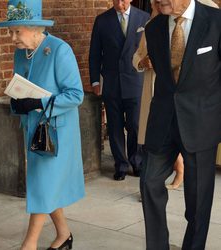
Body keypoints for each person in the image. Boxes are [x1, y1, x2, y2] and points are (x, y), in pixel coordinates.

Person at [0, 1, 85, 250]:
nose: (11, 37)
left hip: (57, 134)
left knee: (42, 184)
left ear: (35, 28)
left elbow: (76, 95)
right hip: (33, 131)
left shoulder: (59, 50)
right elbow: (21, 90)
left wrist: (39, 102)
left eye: (17, 31)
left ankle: (29, 244)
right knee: (45, 184)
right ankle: (64, 235)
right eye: (10, 31)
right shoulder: (20, 53)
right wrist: (19, 103)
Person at [140, 0, 221, 249]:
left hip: (201, 123)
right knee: (149, 182)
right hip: (162, 122)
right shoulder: (153, 28)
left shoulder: (216, 21)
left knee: (197, 201)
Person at [89, 0, 149, 181]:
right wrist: (94, 82)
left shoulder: (144, 18)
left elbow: (151, 48)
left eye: (123, 0)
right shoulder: (102, 20)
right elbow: (94, 54)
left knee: (136, 125)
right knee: (114, 127)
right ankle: (121, 165)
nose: (119, 3)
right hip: (112, 82)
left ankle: (137, 162)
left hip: (136, 81)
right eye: (116, 0)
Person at [133, 0, 184, 190]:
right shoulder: (150, 27)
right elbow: (137, 55)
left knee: (174, 134)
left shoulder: (180, 24)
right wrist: (142, 62)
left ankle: (179, 171)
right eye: (154, 5)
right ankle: (152, 183)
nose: (157, 7)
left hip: (174, 89)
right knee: (154, 138)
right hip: (152, 87)